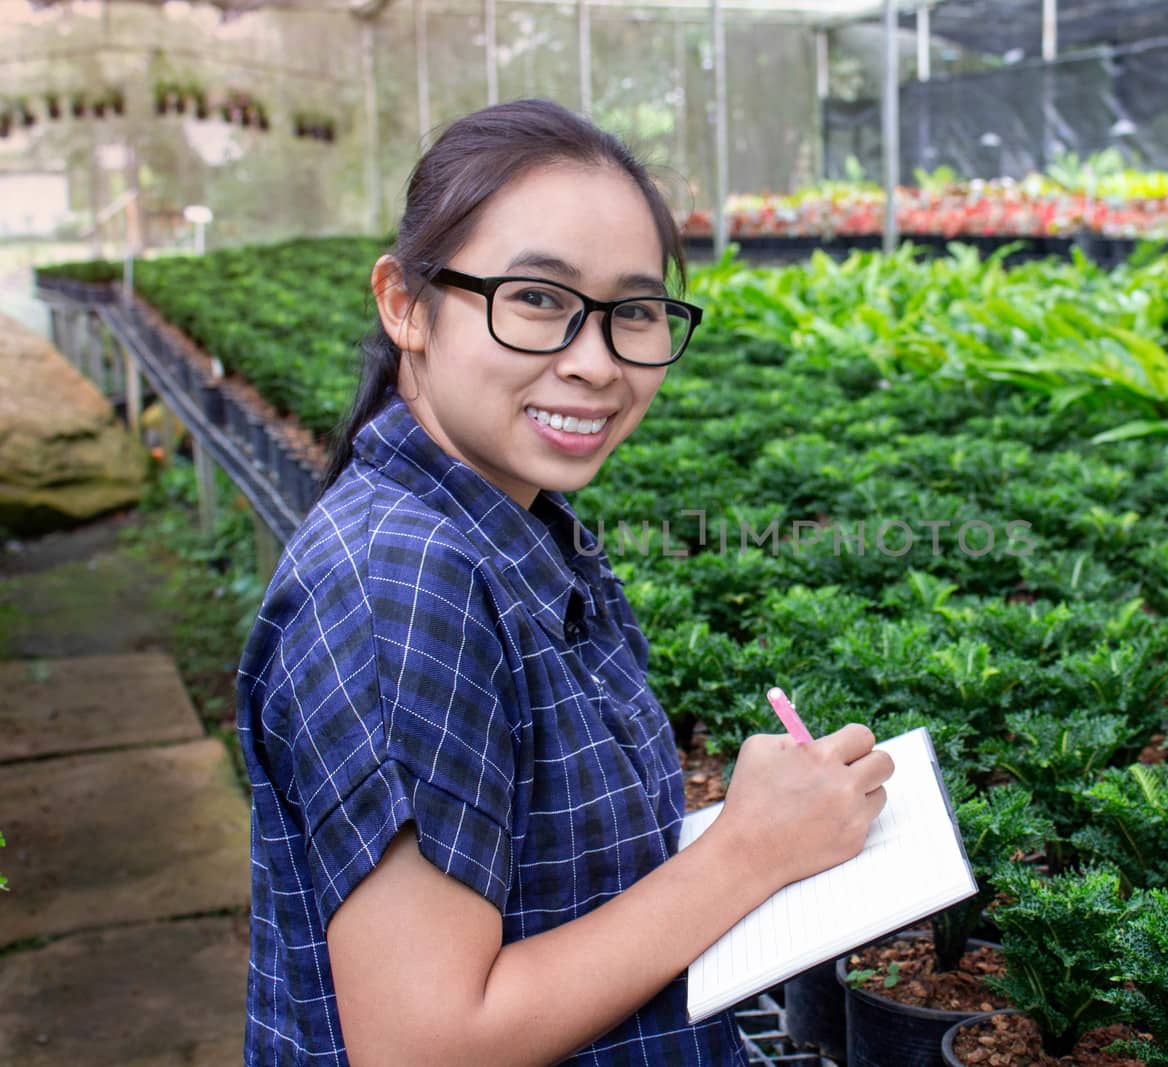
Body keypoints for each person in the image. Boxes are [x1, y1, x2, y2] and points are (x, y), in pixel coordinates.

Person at [236, 98, 894, 1066]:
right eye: (538, 299)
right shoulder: (402, 587)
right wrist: (748, 849)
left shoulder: (514, 529)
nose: (594, 363)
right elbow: (426, 1042)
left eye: (632, 311)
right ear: (404, 303)